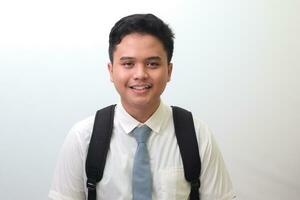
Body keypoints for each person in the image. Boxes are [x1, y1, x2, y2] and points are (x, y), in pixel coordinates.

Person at [48, 13, 236, 200]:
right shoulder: (83, 138)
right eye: (128, 63)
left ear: (169, 71)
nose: (140, 74)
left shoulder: (197, 135)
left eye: (152, 64)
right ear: (111, 71)